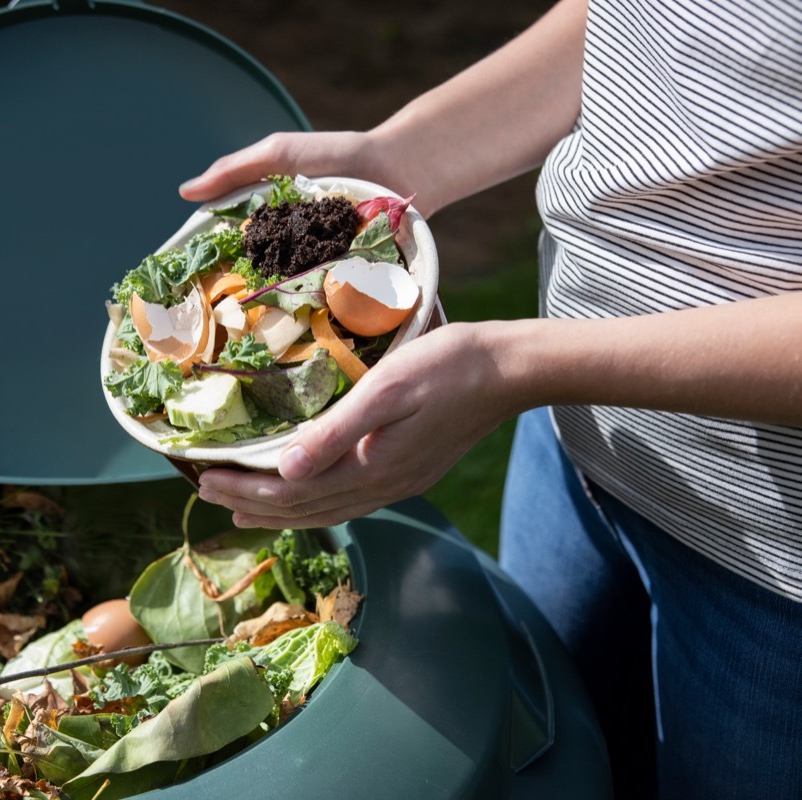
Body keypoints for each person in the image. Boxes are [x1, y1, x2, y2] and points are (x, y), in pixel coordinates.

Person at [178, 1, 802, 798]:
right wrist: (394, 160)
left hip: (773, 564)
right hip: (576, 448)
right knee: (547, 765)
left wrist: (518, 367)